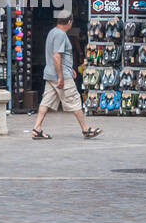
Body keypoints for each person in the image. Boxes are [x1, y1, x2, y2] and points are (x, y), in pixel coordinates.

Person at [32, 9, 101, 140]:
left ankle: (37, 128)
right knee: (75, 101)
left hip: (51, 74)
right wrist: (61, 76)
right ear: (69, 22)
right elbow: (56, 56)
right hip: (59, 75)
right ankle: (86, 130)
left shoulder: (52, 32)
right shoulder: (61, 35)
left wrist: (70, 68)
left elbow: (60, 57)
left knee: (46, 101)